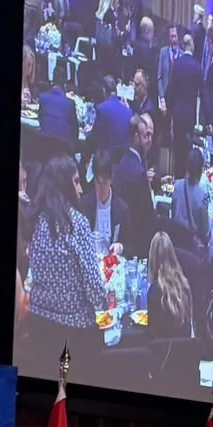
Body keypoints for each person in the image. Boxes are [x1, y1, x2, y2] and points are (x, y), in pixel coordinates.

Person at [24, 154, 109, 345]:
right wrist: (106, 301)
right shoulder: (77, 224)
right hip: (75, 333)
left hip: (39, 327)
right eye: (76, 182)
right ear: (64, 185)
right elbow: (94, 289)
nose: (80, 189)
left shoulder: (36, 220)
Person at [118, 110, 160, 253]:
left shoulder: (124, 160)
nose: (148, 140)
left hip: (130, 232)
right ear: (136, 137)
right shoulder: (138, 171)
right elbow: (149, 216)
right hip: (141, 239)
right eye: (145, 136)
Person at [168, 28, 204, 175]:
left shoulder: (177, 64)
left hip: (177, 115)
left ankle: (177, 179)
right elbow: (202, 94)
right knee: (188, 151)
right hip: (189, 116)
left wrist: (168, 112)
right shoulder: (197, 67)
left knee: (177, 152)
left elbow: (170, 90)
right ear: (192, 45)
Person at [84, 144, 130, 257]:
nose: (101, 188)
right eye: (97, 182)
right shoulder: (84, 204)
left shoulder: (122, 208)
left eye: (104, 183)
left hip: (112, 265)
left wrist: (120, 247)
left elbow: (131, 247)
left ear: (111, 179)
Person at [148, 229, 196, 335]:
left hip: (163, 350)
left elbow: (152, 334)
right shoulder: (184, 285)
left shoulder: (154, 291)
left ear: (152, 258)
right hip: (186, 348)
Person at [171, 145, 213, 259]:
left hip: (176, 244)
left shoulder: (177, 186)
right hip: (192, 250)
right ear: (200, 170)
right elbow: (205, 233)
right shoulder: (201, 196)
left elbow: (174, 213)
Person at [91, 74, 132, 152]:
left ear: (104, 90)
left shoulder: (102, 108)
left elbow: (95, 138)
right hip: (124, 158)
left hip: (108, 160)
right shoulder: (129, 111)